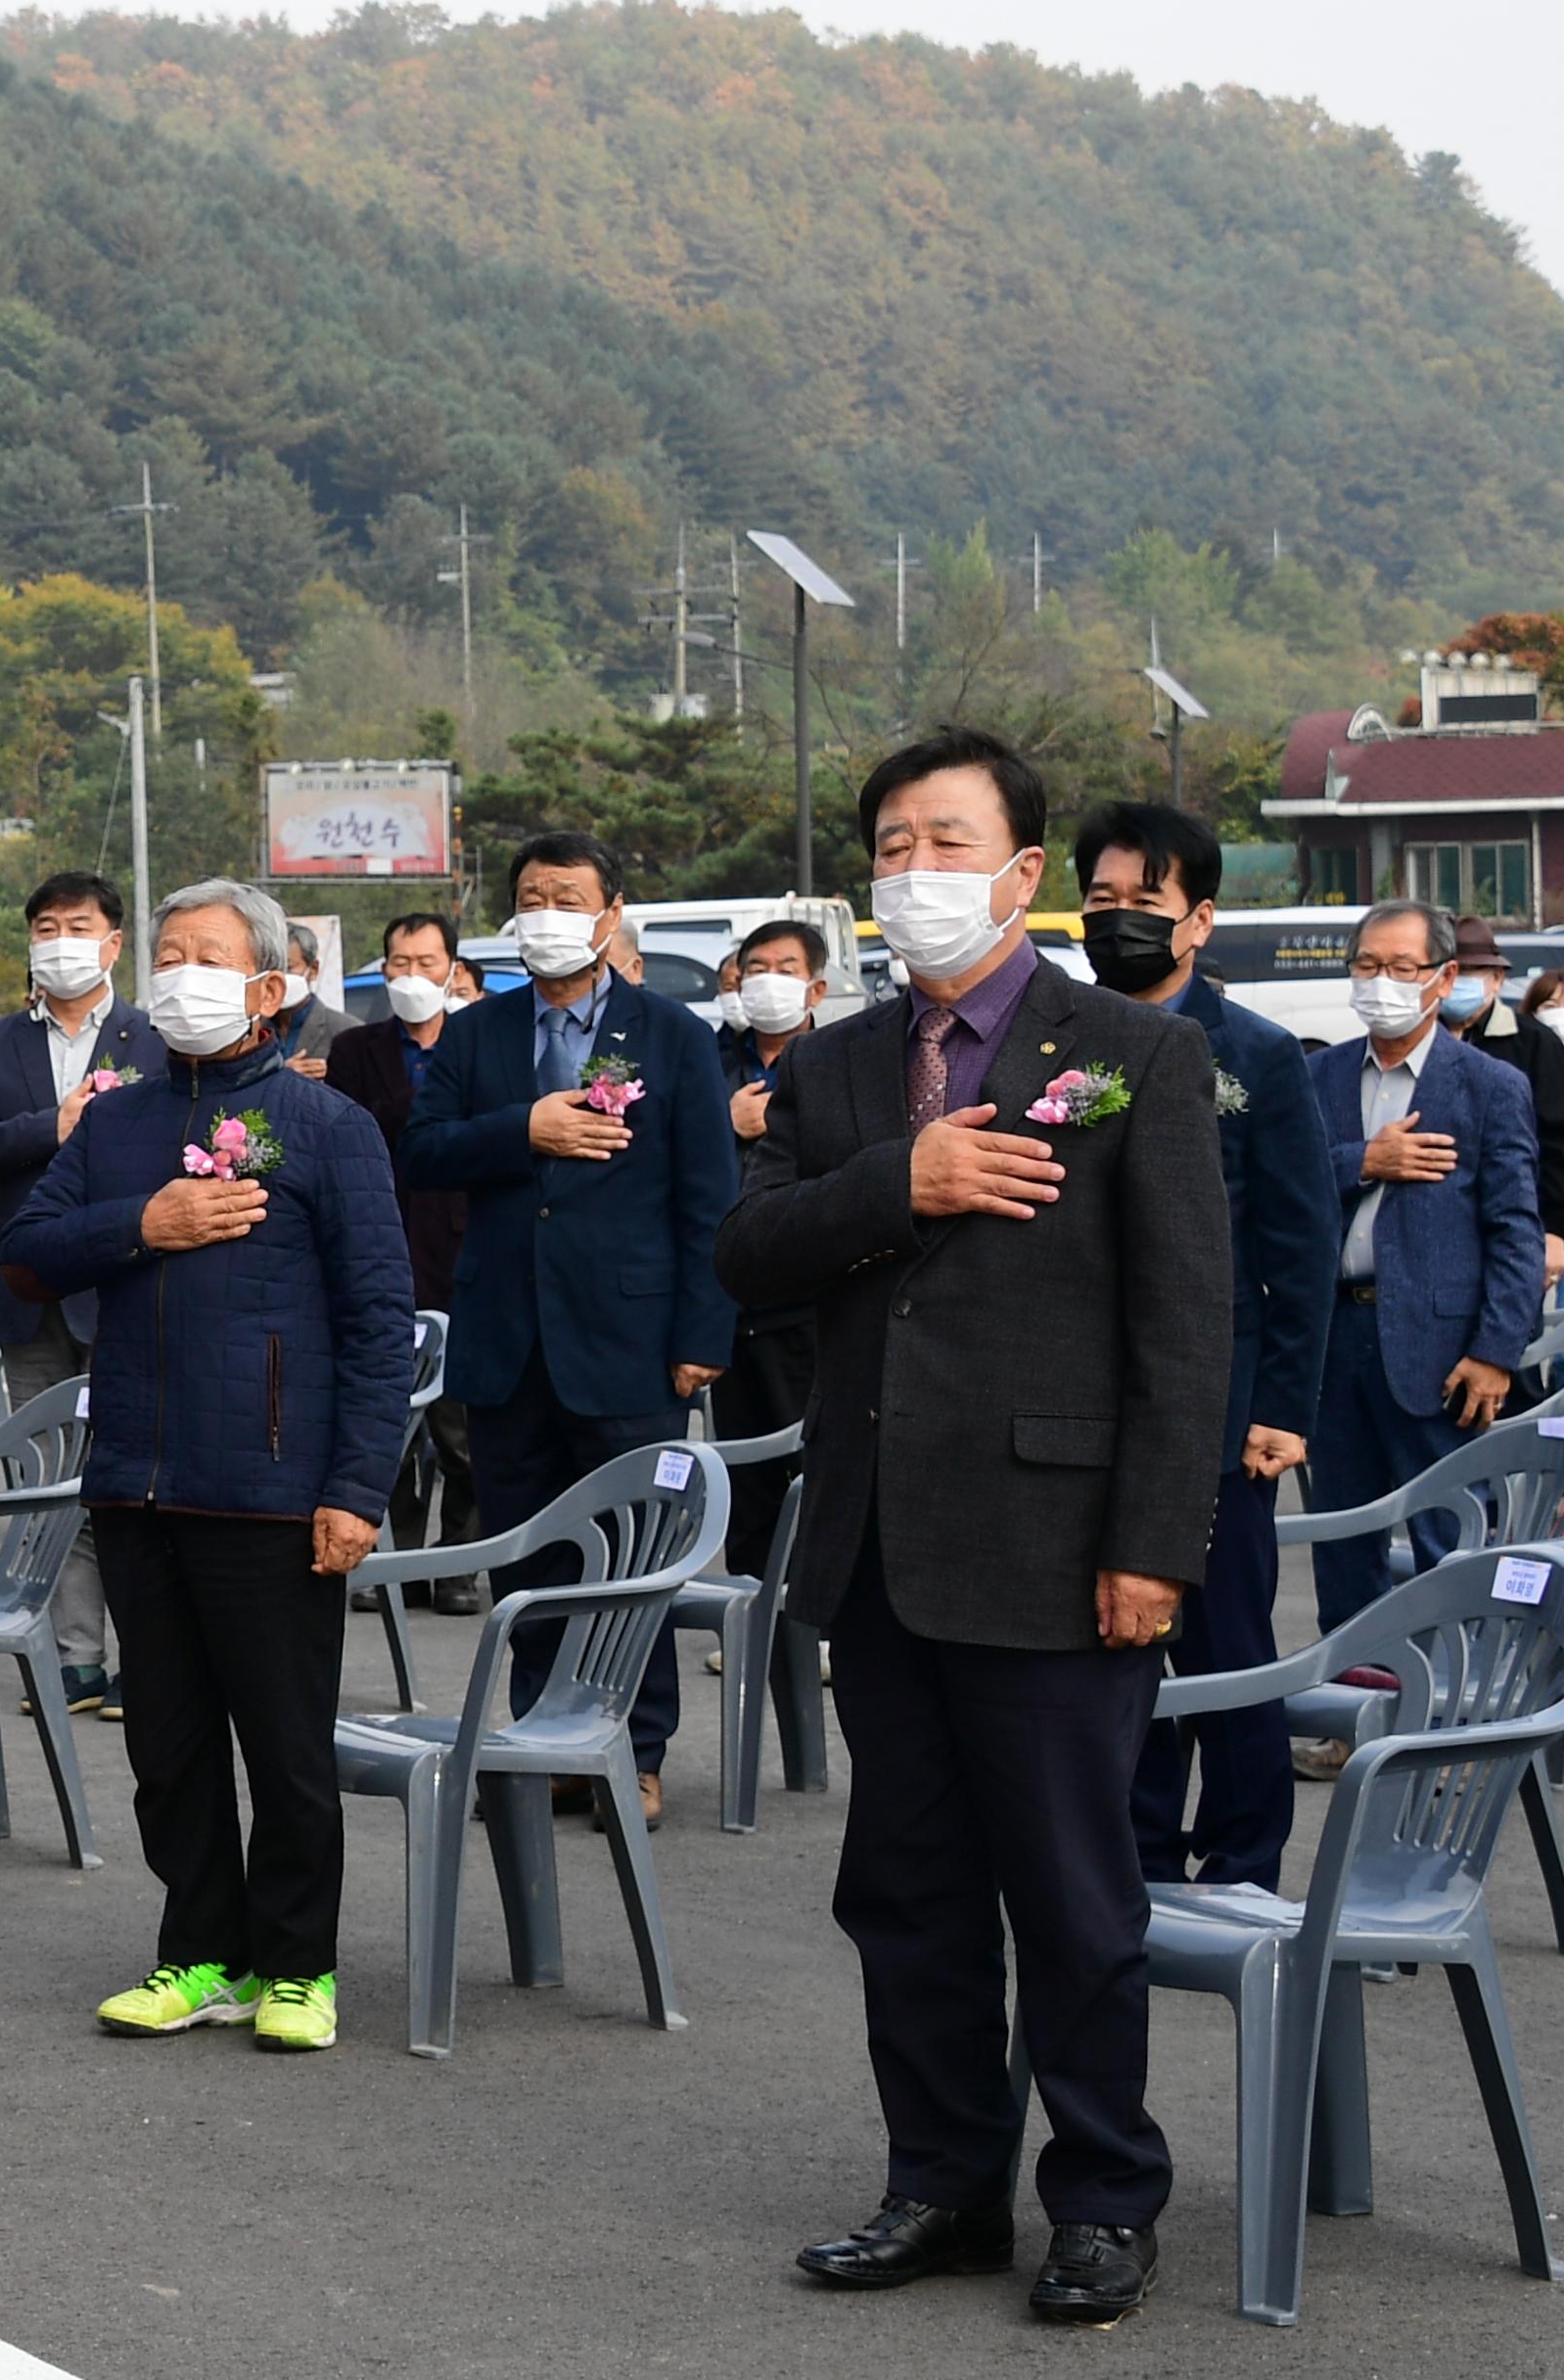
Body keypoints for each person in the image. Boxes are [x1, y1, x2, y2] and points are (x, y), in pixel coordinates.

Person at [716, 725, 1229, 2323]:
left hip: (1060, 1542)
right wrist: (903, 1180)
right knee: (907, 1889)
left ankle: (1099, 2194)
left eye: (944, 842)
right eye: (888, 845)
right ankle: (937, 2182)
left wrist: (1152, 1544)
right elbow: (750, 1255)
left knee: (1072, 1892)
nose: (910, 873)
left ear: (1020, 874)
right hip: (878, 1542)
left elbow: (1181, 1321)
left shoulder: (1129, 1051)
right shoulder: (835, 1065)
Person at [3, 879, 413, 2054]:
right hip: (138, 1473)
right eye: (169, 952)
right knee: (167, 1743)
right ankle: (201, 1952)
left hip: (277, 1485)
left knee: (284, 1743)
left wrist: (355, 1487)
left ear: (270, 987)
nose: (181, 973)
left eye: (209, 955)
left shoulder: (328, 1124)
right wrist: (147, 1221)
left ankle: (298, 1964)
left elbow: (382, 1318)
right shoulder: (118, 1118)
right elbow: (28, 1254)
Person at [400, 831, 736, 1828]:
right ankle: (545, 1736)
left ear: (609, 913)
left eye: (566, 895)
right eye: (530, 896)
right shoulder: (476, 1035)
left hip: (631, 1342)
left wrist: (701, 1332)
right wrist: (525, 1128)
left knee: (636, 1557)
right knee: (530, 1554)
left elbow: (707, 1196)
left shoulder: (670, 1033)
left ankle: (636, 1748)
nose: (546, 911)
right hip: (507, 1339)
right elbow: (421, 1152)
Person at [1073, 805, 1334, 1882]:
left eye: (1146, 902)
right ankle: (1132, 1853)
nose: (1121, 921)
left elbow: (1302, 1245)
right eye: (1102, 901)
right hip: (1085, 1392)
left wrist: (1283, 1406)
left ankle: (1243, 1859)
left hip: (1221, 1403)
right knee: (1112, 1641)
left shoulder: (1260, 1057)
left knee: (1224, 1641)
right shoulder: (1060, 1040)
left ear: (1199, 919)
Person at [0, 870, 168, 1716]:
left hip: (132, 1287)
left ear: (112, 943)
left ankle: (151, 1660)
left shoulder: (155, 1037)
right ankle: (75, 1660)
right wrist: (51, 1128)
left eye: (77, 926)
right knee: (47, 1478)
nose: (59, 941)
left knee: (133, 1478)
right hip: (31, 1293)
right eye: (45, 927)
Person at [1303, 900, 1541, 1647]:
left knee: (1449, 1536)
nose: (1381, 983)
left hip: (1440, 1350)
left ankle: (1452, 1720)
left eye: (1400, 969)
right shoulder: (1317, 1076)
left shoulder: (1487, 1086)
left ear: (1441, 980)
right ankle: (1353, 1704)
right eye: (1367, 966)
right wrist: (1363, 1162)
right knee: (1342, 1540)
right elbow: (1284, 1191)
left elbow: (1514, 1229)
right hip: (1334, 1338)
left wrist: (1497, 1352)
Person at [325, 912, 478, 1561]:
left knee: (462, 1426)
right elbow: (347, 1131)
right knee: (389, 1418)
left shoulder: (477, 1042)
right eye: (399, 964)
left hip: (462, 1249)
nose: (412, 976)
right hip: (382, 1243)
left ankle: (459, 1558)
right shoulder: (356, 1049)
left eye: (426, 963)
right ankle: (399, 1554)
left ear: (454, 971)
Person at [710, 919, 826, 1594]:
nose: (767, 982)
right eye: (756, 968)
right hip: (727, 1296)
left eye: (785, 968)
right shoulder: (707, 1059)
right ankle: (751, 1607)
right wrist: (726, 1126)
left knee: (815, 1461)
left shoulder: (838, 1058)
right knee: (742, 1469)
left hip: (804, 1297)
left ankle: (818, 1615)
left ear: (815, 985)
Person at [1436, 915, 1564, 1295]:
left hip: (1514, 1221)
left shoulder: (1533, 1043)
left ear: (1498, 979)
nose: (1461, 982)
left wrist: (1555, 1230)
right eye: (1453, 971)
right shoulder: (1417, 1039)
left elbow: (1557, 1141)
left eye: (1473, 972)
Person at [275, 923, 355, 1076]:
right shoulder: (250, 1031)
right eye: (272, 968)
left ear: (313, 969)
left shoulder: (347, 1031)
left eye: (288, 968)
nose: (279, 977)